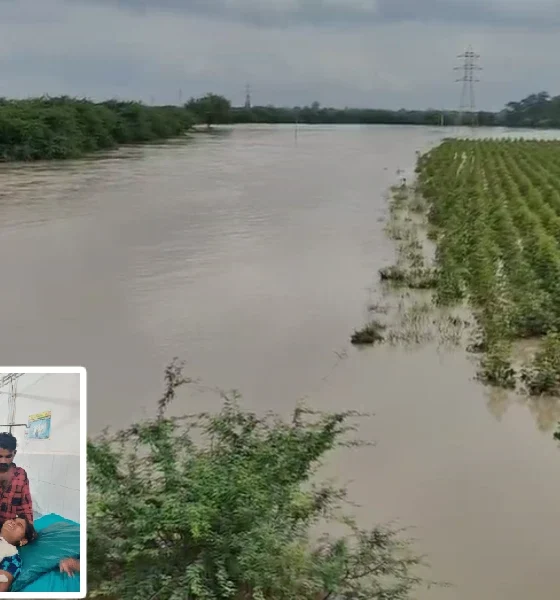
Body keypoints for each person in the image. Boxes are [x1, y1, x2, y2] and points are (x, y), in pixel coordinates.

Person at [0, 432, 33, 526]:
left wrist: (29, 529)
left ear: (14, 453)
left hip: (9, 530)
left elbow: (26, 506)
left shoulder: (20, 475)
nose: (3, 461)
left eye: (8, 456)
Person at [0, 516, 37, 591]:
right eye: (12, 519)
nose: (12, 522)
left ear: (23, 541)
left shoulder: (12, 559)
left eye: (19, 525)